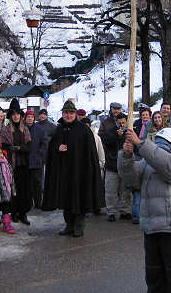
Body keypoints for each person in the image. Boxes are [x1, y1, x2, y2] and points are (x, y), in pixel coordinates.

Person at [118, 128, 171, 293]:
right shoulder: (146, 164)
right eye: (158, 143)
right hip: (151, 228)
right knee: (153, 278)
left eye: (164, 144)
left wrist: (140, 143)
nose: (159, 147)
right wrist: (127, 156)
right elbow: (129, 177)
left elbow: (162, 161)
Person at [42, 100, 105, 237]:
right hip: (64, 174)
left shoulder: (83, 130)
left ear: (75, 114)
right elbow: (51, 148)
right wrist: (57, 148)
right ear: (62, 114)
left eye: (71, 113)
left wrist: (88, 170)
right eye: (66, 113)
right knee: (66, 200)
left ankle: (78, 226)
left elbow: (90, 153)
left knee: (80, 199)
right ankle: (69, 225)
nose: (68, 115)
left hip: (80, 173)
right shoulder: (58, 129)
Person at [0, 98, 32, 225]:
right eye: (13, 114)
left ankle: (23, 214)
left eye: (17, 114)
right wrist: (10, 148)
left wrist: (19, 148)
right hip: (11, 165)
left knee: (24, 190)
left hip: (24, 164)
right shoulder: (6, 130)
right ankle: (14, 213)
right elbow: (3, 146)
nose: (16, 116)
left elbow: (29, 146)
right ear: (10, 116)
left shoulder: (25, 129)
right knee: (13, 190)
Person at [101, 112, 131, 222]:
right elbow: (105, 141)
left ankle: (125, 210)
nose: (121, 125)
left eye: (123, 123)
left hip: (125, 165)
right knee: (110, 191)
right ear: (116, 123)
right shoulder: (110, 132)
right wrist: (116, 136)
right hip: (112, 165)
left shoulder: (129, 132)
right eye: (119, 123)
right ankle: (111, 212)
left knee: (125, 191)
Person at [25, 110, 47, 209]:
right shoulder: (22, 129)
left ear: (34, 118)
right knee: (27, 183)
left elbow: (44, 143)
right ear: (25, 118)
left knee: (37, 183)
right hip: (25, 160)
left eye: (32, 117)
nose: (30, 118)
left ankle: (38, 202)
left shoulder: (40, 129)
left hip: (37, 160)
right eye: (28, 117)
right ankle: (28, 203)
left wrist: (40, 153)